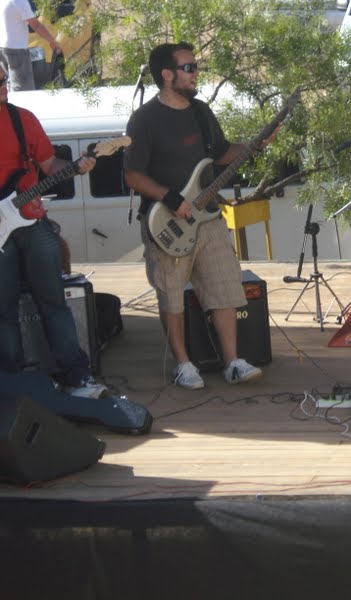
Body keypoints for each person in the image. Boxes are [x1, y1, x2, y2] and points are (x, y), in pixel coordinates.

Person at [124, 42, 264, 390]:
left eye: (195, 66)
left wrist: (253, 145)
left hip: (208, 216)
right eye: (188, 67)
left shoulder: (201, 112)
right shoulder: (144, 119)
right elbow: (132, 175)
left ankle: (233, 362)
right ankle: (183, 364)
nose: (196, 73)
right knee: (171, 295)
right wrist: (170, 197)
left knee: (225, 287)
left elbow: (220, 153)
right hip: (165, 222)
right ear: (166, 75)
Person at [0, 64, 105, 398]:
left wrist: (77, 167)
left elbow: (48, 166)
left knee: (54, 301)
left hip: (32, 221)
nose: (4, 86)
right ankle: (13, 387)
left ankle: (78, 377)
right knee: (3, 312)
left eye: (4, 79)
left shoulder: (23, 119)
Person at [0, 0, 62, 91]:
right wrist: (52, 41)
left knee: (10, 85)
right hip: (17, 50)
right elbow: (36, 25)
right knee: (24, 89)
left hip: (3, 48)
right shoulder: (19, 2)